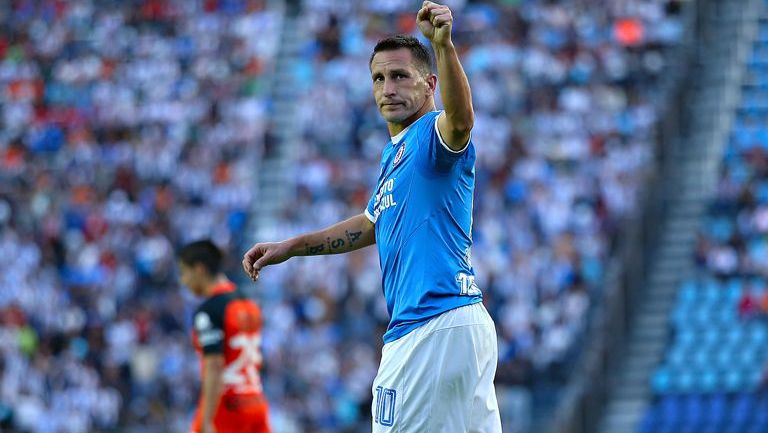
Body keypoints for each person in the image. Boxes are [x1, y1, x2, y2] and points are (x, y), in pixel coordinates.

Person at [242, 1, 502, 431]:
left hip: (427, 328)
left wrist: (443, 44)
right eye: (379, 78)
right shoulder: (394, 155)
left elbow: (461, 121)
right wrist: (292, 246)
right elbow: (371, 223)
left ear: (429, 83)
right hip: (462, 324)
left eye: (400, 76)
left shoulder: (432, 136)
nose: (388, 88)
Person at [179, 240, 271, 433]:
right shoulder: (249, 304)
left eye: (184, 272)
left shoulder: (209, 310)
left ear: (199, 269)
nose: (183, 281)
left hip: (228, 407)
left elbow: (214, 364)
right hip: (255, 402)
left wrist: (206, 419)